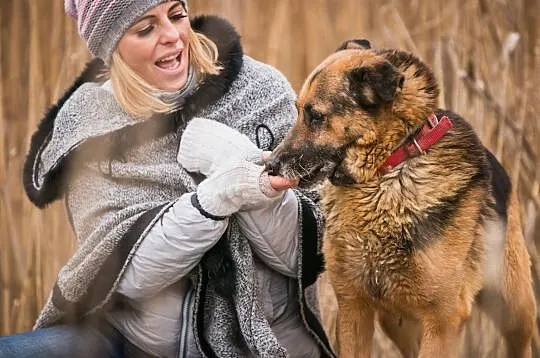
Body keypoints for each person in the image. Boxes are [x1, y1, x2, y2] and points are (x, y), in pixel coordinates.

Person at [0, 1, 335, 357]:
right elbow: (128, 276)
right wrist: (215, 199)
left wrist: (252, 182)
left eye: (177, 15)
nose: (173, 36)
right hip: (133, 344)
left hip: (264, 343)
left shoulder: (259, 90)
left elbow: (308, 255)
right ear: (112, 47)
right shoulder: (90, 129)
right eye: (146, 29)